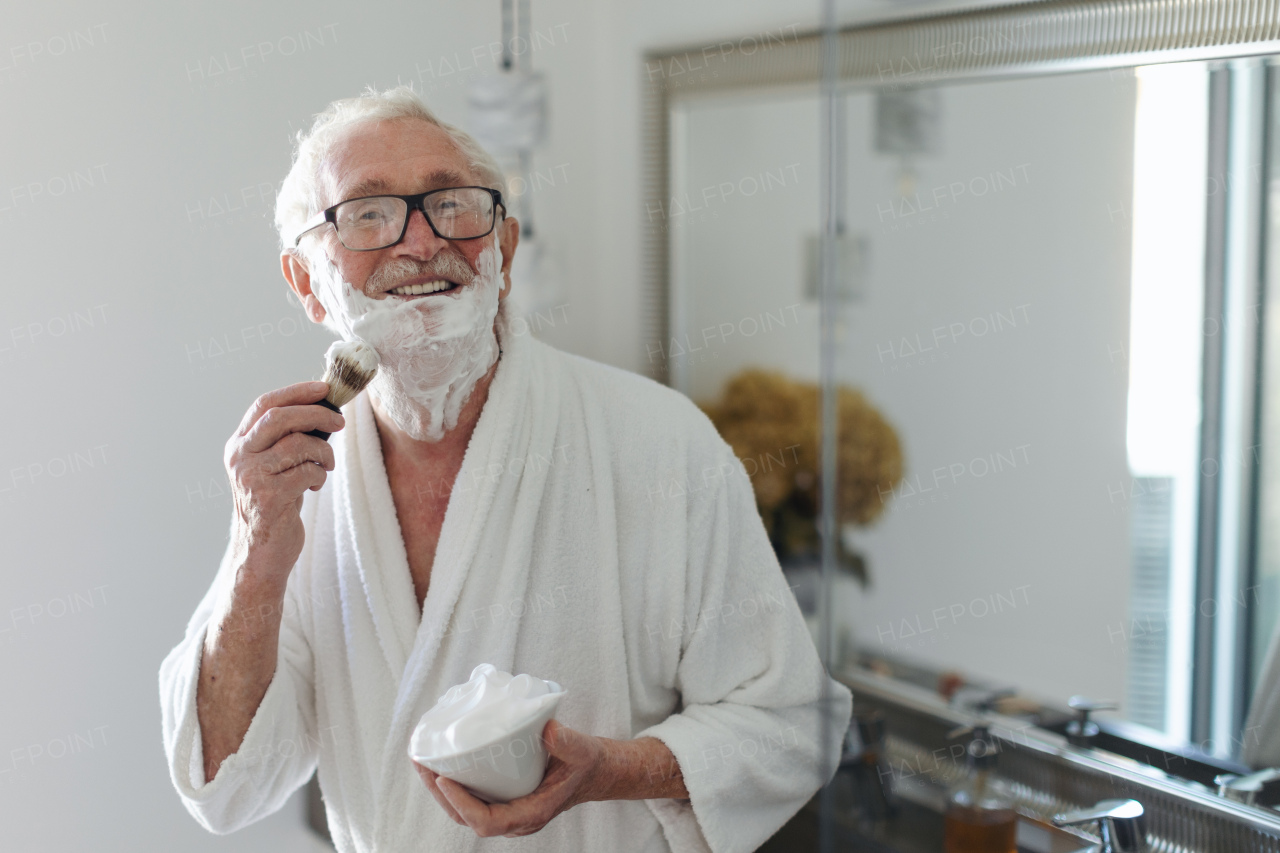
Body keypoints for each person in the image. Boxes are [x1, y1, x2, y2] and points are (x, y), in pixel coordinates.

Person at [159, 85, 851, 853]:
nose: (422, 242)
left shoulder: (658, 445)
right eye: (367, 214)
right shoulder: (297, 490)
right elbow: (223, 781)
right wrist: (257, 553)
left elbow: (791, 726)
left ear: (506, 250)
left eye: (452, 203)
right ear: (305, 283)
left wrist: (607, 771)